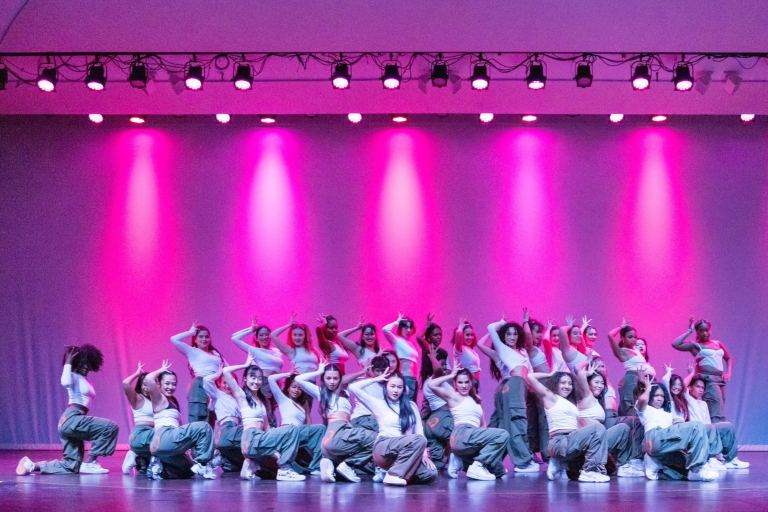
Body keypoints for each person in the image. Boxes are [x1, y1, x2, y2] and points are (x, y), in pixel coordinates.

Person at [17, 345, 118, 476]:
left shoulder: (84, 379)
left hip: (70, 421)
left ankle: (32, 466)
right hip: (72, 418)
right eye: (82, 363)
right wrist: (68, 362)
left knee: (71, 465)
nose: (85, 366)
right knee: (110, 427)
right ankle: (91, 462)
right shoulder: (72, 376)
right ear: (76, 362)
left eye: (87, 363)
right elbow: (65, 382)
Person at [349, 369, 438, 485]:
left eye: (399, 387)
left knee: (430, 473)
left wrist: (423, 455)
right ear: (386, 386)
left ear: (403, 389)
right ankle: (394, 475)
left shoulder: (411, 405)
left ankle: (394, 473)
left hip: (404, 454)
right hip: (384, 448)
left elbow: (419, 430)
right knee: (419, 439)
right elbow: (353, 387)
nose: (395, 390)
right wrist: (376, 379)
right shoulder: (379, 403)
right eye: (392, 386)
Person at [222, 359, 306, 481]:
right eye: (253, 377)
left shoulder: (262, 402)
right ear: (245, 379)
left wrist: (279, 438)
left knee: (275, 463)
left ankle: (251, 464)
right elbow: (225, 371)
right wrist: (245, 365)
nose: (256, 381)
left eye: (259, 378)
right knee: (292, 429)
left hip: (259, 441)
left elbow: (267, 428)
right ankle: (285, 469)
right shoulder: (242, 396)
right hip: (250, 439)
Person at [523, 368, 610, 482]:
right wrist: (550, 374)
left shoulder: (570, 403)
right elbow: (530, 377)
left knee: (610, 430)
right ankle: (590, 471)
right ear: (556, 383)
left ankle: (560, 462)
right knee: (597, 429)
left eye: (569, 383)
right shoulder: (551, 397)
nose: (567, 386)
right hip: (559, 440)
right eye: (563, 383)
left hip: (572, 439)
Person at [296, 363, 375, 483]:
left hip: (336, 437)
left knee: (362, 446)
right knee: (377, 439)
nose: (332, 382)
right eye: (328, 378)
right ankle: (347, 465)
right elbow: (298, 379)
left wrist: (367, 374)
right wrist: (319, 371)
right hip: (338, 432)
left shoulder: (346, 393)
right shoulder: (321, 393)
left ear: (340, 379)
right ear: (323, 379)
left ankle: (331, 463)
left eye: (335, 378)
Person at [662, 364, 749, 470]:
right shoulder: (686, 398)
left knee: (727, 426)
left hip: (706, 428)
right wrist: (691, 373)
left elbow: (708, 422)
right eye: (698, 386)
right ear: (689, 387)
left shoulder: (703, 404)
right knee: (709, 427)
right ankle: (711, 459)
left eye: (703, 388)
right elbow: (678, 385)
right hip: (694, 430)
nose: (701, 390)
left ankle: (731, 460)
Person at [427, 367, 509, 480]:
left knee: (499, 471)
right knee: (503, 434)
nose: (463, 385)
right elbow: (431, 385)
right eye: (460, 382)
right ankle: (476, 465)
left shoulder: (476, 400)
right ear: (455, 384)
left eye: (466, 382)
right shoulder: (454, 397)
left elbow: (483, 425)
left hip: (472, 439)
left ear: (471, 383)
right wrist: (451, 376)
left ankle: (459, 459)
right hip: (462, 434)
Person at [634, 372, 717, 481]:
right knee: (697, 426)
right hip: (654, 437)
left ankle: (656, 466)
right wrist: (647, 388)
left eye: (662, 396)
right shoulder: (645, 409)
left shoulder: (667, 411)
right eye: (656, 395)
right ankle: (698, 467)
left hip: (665, 444)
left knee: (685, 466)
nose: (660, 399)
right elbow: (643, 399)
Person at [485, 310, 540, 473]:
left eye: (515, 334)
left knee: (505, 426)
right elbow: (490, 327)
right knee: (517, 423)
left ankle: (488, 461)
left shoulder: (522, 352)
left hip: (521, 386)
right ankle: (522, 463)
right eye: (508, 334)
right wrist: (502, 323)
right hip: (514, 385)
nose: (512, 337)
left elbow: (528, 374)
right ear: (503, 336)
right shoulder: (502, 348)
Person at [145, 361, 216, 479]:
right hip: (165, 436)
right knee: (204, 427)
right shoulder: (159, 398)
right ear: (159, 384)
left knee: (188, 471)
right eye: (167, 383)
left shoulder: (172, 401)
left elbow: (180, 427)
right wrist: (160, 370)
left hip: (165, 445)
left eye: (173, 384)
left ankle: (158, 468)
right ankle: (203, 465)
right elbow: (148, 379)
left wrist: (185, 447)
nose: (170, 387)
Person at [574, 362, 644, 477]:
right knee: (625, 427)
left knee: (623, 428)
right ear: (588, 383)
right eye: (596, 382)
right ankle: (626, 463)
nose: (600, 386)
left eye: (602, 383)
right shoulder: (586, 396)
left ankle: (624, 465)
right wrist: (587, 373)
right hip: (589, 442)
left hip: (598, 439)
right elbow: (581, 376)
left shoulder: (596, 400)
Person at [672, 317, 733, 422]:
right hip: (708, 380)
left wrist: (729, 373)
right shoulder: (695, 346)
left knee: (719, 408)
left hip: (720, 380)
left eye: (707, 330)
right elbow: (675, 344)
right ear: (697, 332)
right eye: (701, 331)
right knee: (715, 410)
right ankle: (715, 435)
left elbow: (729, 358)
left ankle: (717, 434)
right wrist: (689, 331)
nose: (705, 333)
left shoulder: (717, 343)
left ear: (710, 330)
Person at [266, 370, 325, 475]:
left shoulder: (302, 407)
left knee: (320, 430)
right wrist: (287, 374)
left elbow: (307, 425)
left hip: (298, 434)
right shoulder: (283, 399)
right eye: (294, 387)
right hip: (288, 433)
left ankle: (316, 467)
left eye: (299, 388)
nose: (296, 390)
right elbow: (271, 379)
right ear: (288, 388)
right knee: (320, 429)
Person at [231, 321, 285, 427]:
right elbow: (234, 338)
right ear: (256, 338)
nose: (264, 337)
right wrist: (251, 329)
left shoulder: (276, 351)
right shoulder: (255, 350)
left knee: (271, 411)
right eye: (261, 335)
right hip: (264, 383)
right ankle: (269, 436)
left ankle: (271, 435)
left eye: (267, 334)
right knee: (267, 411)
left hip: (275, 384)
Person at [170, 323, 224, 424]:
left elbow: (226, 367)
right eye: (201, 336)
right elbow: (174, 339)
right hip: (200, 385)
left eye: (207, 336)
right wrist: (190, 332)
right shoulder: (192, 351)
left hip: (213, 386)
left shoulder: (215, 353)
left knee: (210, 420)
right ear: (195, 339)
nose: (204, 339)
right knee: (198, 419)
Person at [607, 320, 654, 416]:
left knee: (641, 406)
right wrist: (621, 327)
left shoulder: (635, 349)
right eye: (630, 337)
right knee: (631, 408)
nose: (634, 339)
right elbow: (610, 335)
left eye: (635, 337)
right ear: (623, 338)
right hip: (632, 380)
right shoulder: (622, 352)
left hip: (641, 380)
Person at [202, 368, 244, 473]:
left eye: (229, 383)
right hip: (226, 427)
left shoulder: (237, 399)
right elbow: (206, 381)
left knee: (236, 468)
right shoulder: (218, 395)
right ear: (220, 383)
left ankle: (224, 459)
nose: (227, 385)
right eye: (224, 383)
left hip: (235, 429)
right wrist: (220, 372)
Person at [421, 347, 454, 470]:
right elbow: (439, 369)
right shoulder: (434, 380)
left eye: (446, 363)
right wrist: (431, 356)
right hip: (442, 418)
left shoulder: (433, 381)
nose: (445, 366)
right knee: (461, 435)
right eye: (443, 363)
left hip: (434, 421)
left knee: (438, 464)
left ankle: (442, 461)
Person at [121, 362, 154, 475]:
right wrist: (136, 373)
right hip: (142, 433)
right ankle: (134, 453)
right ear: (140, 385)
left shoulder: (156, 400)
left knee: (146, 471)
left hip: (151, 436)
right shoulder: (138, 398)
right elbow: (125, 383)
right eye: (144, 384)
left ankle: (138, 459)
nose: (146, 388)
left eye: (149, 384)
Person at [382, 314, 421, 401]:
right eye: (405, 327)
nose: (408, 330)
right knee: (404, 404)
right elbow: (385, 330)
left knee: (411, 405)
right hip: (404, 377)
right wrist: (396, 322)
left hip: (413, 379)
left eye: (410, 327)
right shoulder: (397, 341)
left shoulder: (411, 344)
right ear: (400, 328)